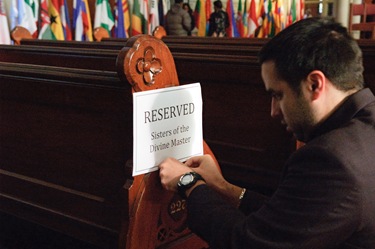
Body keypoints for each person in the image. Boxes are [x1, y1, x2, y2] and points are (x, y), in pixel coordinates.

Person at [159, 17, 375, 248]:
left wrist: (188, 183)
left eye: (278, 95)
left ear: (314, 85)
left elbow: (248, 242)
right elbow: (292, 220)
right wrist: (222, 187)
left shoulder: (331, 160)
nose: (273, 111)